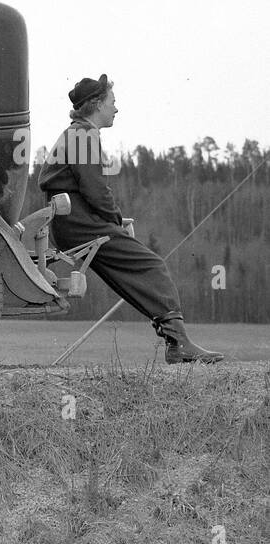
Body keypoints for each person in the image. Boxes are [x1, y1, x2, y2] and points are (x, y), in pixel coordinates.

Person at [39, 74, 222, 364]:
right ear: (97, 104)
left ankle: (177, 341)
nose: (116, 108)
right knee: (153, 266)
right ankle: (179, 344)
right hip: (81, 224)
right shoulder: (84, 135)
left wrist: (114, 221)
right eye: (113, 102)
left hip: (73, 223)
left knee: (134, 273)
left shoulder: (76, 134)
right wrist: (116, 220)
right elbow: (96, 190)